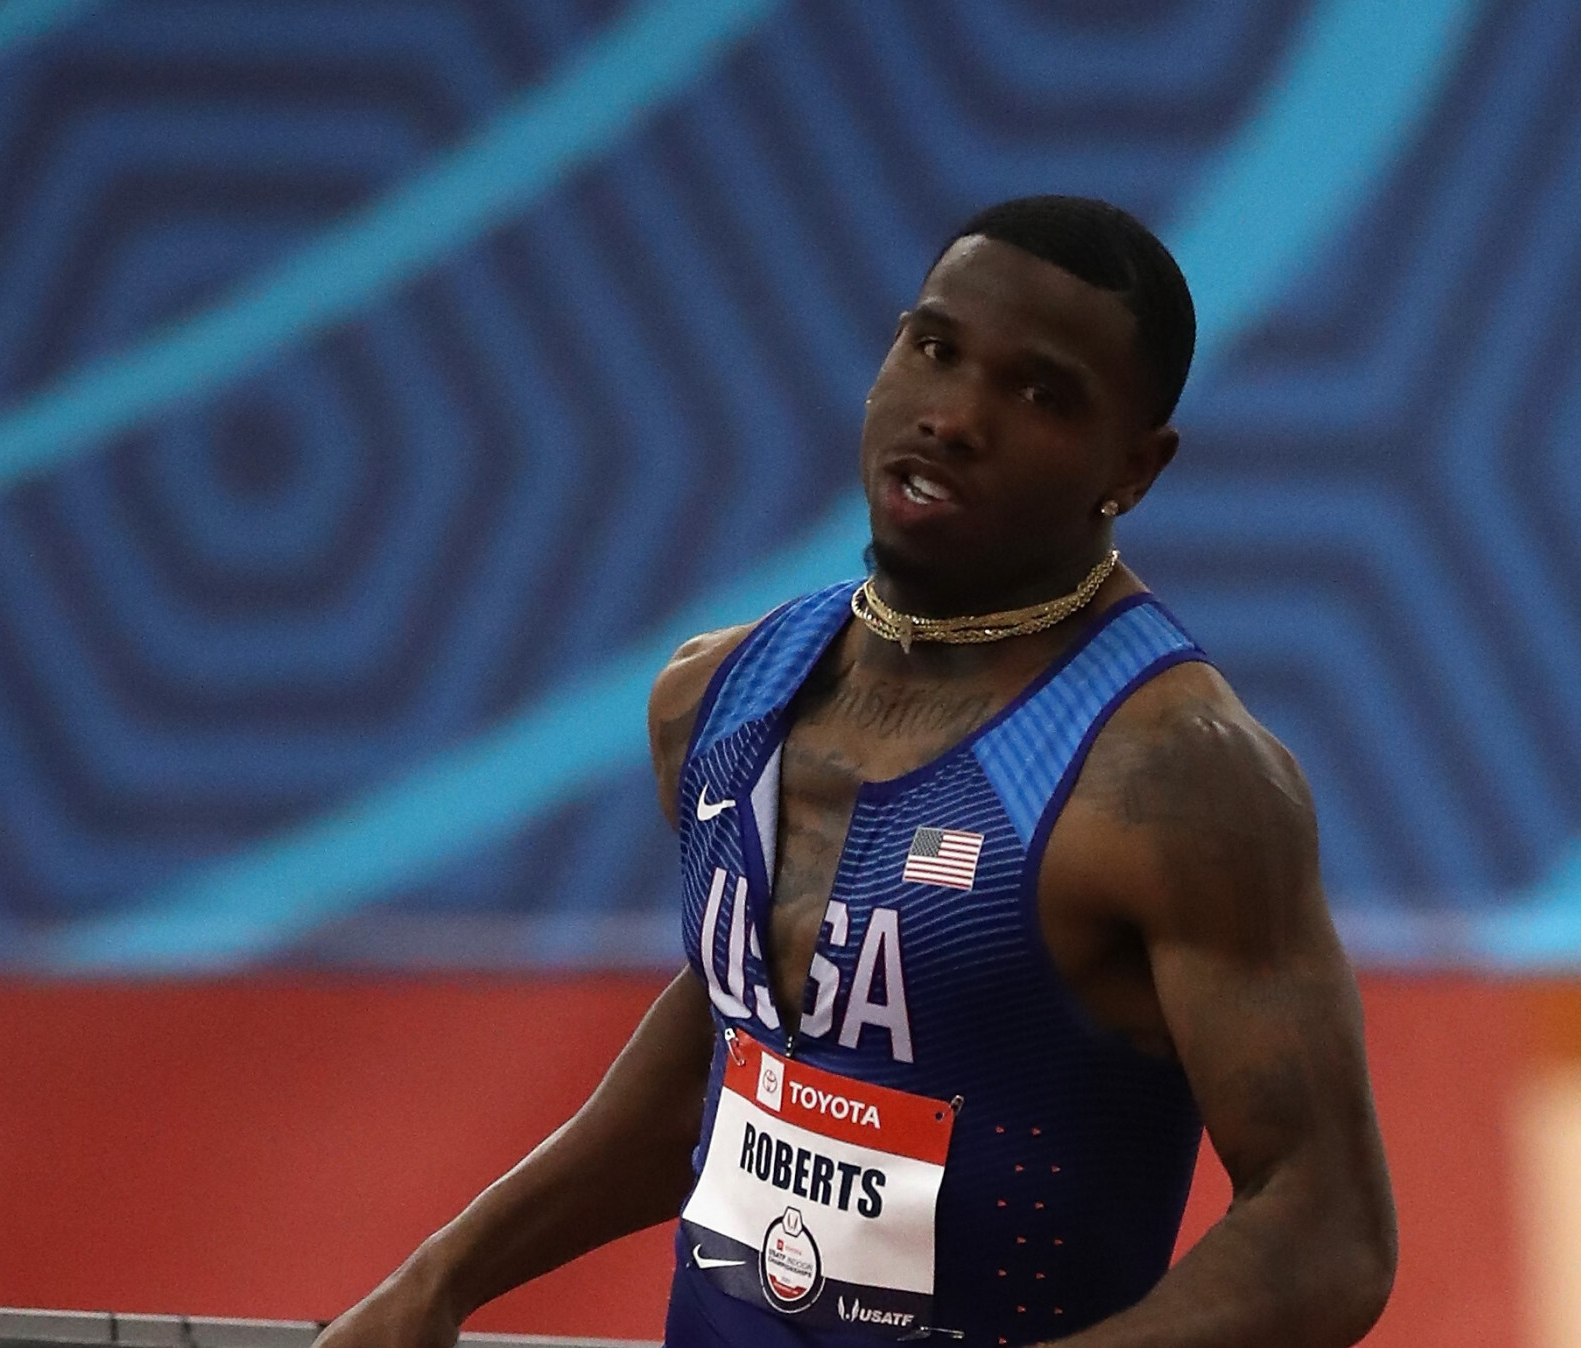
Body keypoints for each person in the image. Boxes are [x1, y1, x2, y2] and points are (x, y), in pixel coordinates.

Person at [318, 195, 1397, 1346]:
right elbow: (733, 1039)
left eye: (1039, 393)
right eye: (933, 349)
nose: (954, 416)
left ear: (1133, 467)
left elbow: (1325, 1229)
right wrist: (441, 1276)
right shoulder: (714, 699)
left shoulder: (1173, 781)